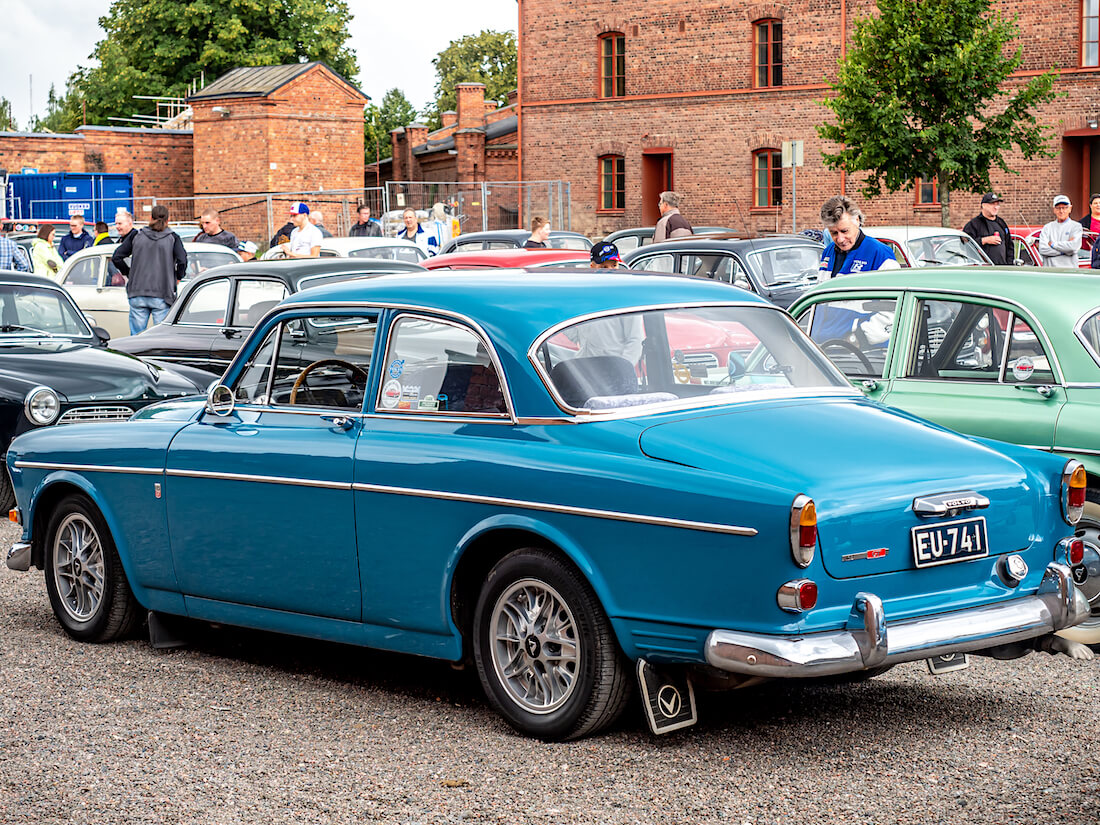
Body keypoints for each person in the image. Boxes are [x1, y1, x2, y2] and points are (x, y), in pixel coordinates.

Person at [112, 204, 187, 335]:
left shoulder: (137, 235)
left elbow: (117, 257)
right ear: (168, 220)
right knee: (160, 336)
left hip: (137, 291)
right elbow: (182, 261)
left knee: (136, 337)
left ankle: (136, 355)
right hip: (162, 292)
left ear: (150, 218)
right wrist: (178, 277)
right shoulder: (172, 238)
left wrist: (129, 273)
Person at [817, 195, 899, 277]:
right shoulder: (828, 251)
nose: (840, 239)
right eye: (834, 233)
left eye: (844, 231)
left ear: (857, 221)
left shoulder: (880, 253)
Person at [962, 193, 1013, 266]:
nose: (996, 207)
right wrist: (984, 240)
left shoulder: (1002, 223)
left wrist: (1009, 266)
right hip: (983, 270)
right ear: (983, 205)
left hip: (1002, 269)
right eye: (992, 204)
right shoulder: (973, 224)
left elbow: (1009, 246)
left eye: (997, 204)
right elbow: (965, 245)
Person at [1038, 195, 1082, 268]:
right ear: (1054, 210)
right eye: (1058, 208)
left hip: (1070, 272)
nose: (1061, 211)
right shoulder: (1047, 227)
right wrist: (1065, 251)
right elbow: (1043, 249)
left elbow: (1073, 247)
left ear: (1070, 209)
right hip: (1050, 272)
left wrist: (1053, 245)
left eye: (1064, 208)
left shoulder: (1076, 226)